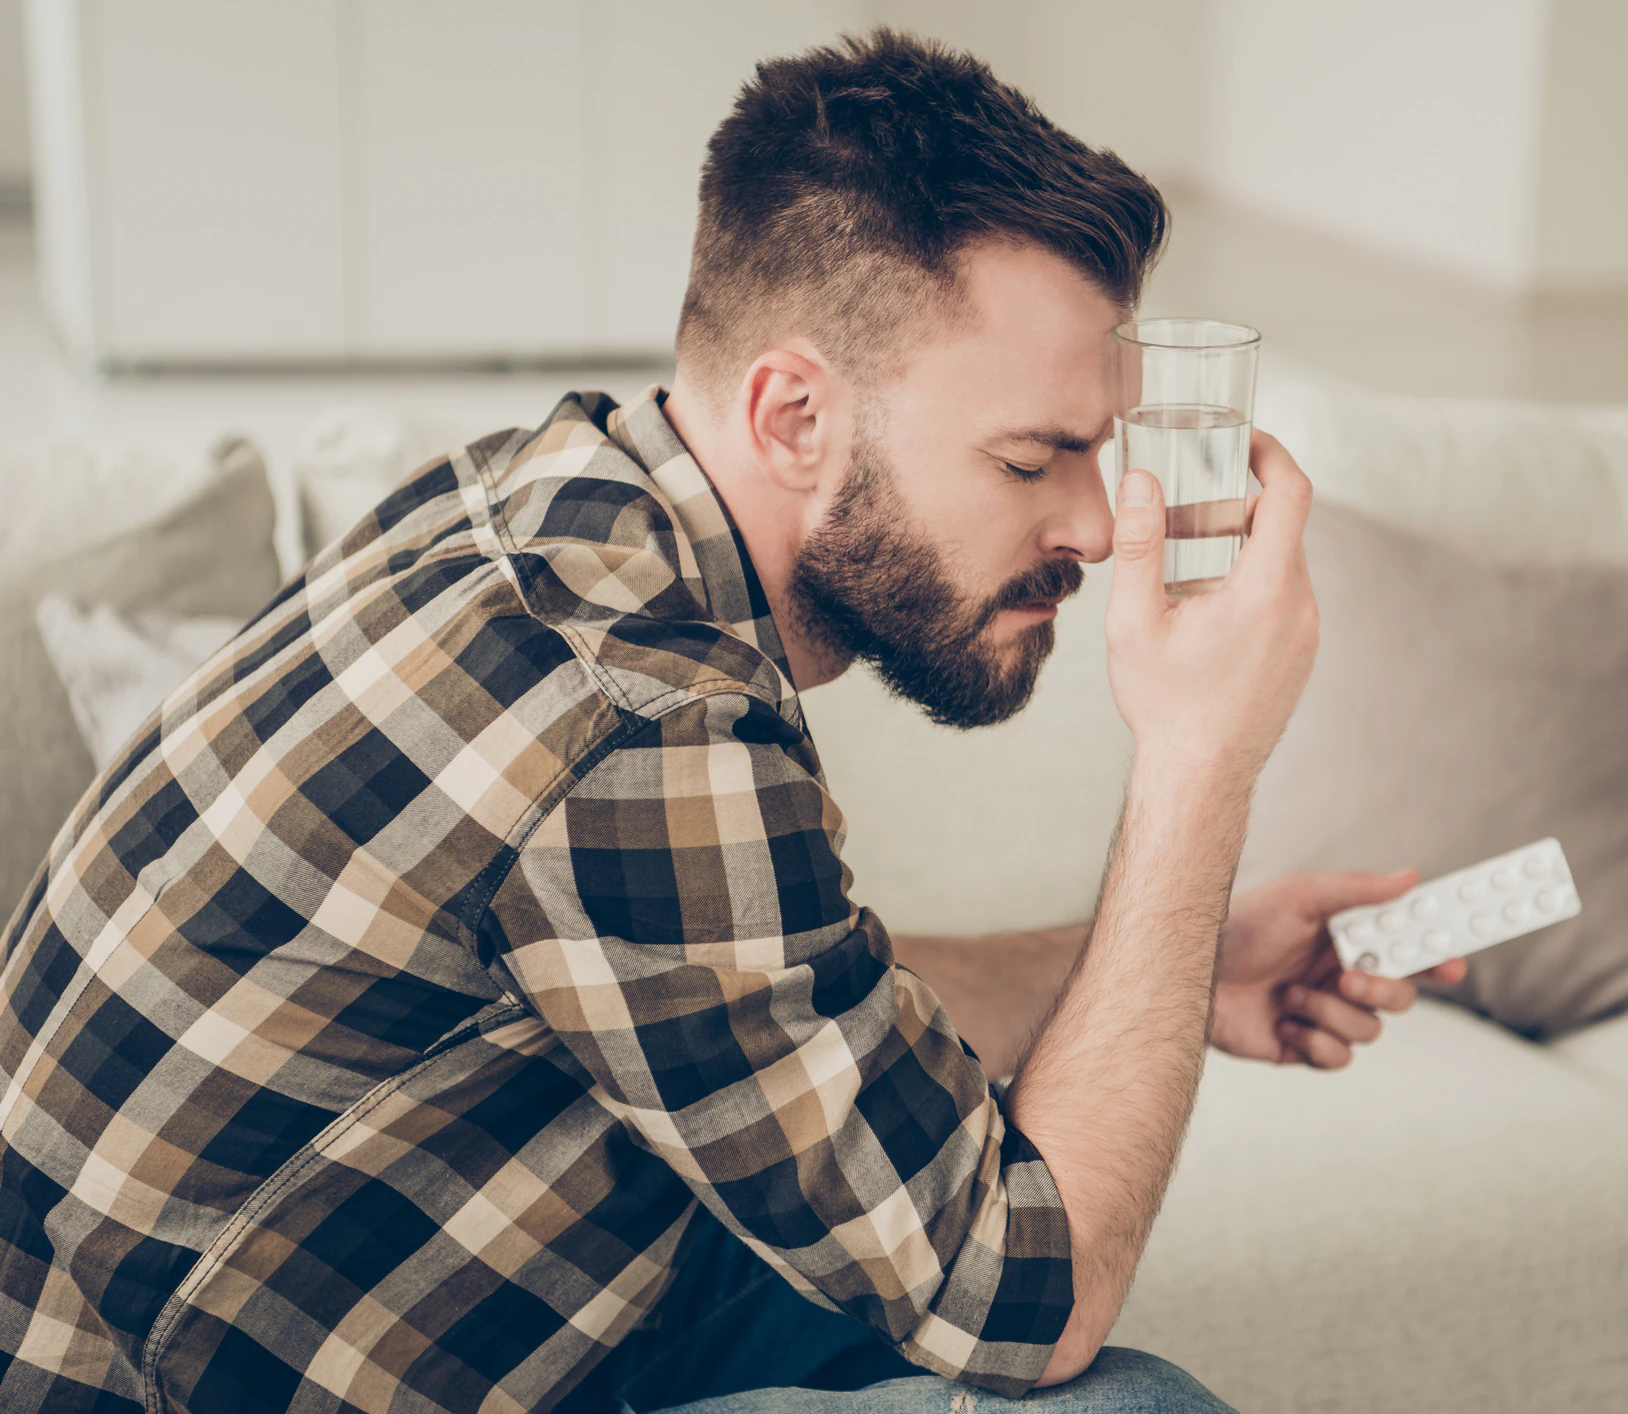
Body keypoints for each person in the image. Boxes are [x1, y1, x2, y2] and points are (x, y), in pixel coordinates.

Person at [0, 29, 1461, 1414]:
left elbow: (764, 990)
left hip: (487, 1258)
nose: (1092, 521)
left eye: (1102, 449)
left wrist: (1168, 967)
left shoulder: (548, 490)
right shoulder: (640, 715)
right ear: (792, 418)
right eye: (1032, 458)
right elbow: (1036, 1288)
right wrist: (1201, 755)